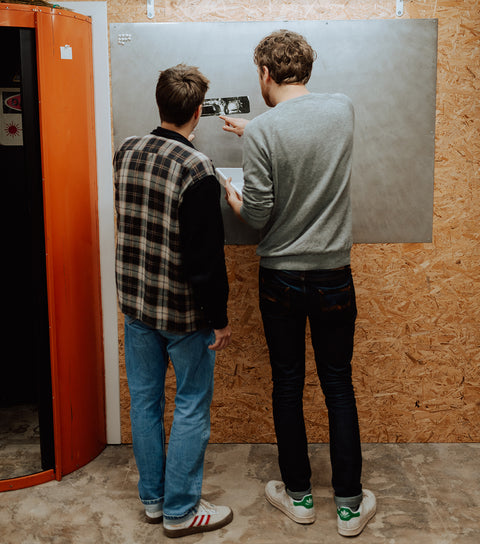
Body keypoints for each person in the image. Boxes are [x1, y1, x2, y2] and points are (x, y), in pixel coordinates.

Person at [221, 30, 376, 537]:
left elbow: (259, 215)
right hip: (334, 276)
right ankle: (350, 506)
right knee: (338, 384)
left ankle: (300, 499)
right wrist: (255, 130)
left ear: (265, 73)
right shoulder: (343, 109)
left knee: (288, 385)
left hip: (280, 280)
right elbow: (304, 134)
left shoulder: (266, 132)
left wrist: (233, 196)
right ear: (306, 68)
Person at [114, 64, 233, 538]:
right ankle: (181, 512)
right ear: (198, 112)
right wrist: (219, 319)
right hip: (183, 313)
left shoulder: (126, 150)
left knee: (144, 403)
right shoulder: (198, 169)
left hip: (137, 305)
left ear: (160, 103)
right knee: (189, 405)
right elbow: (206, 259)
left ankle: (153, 501)